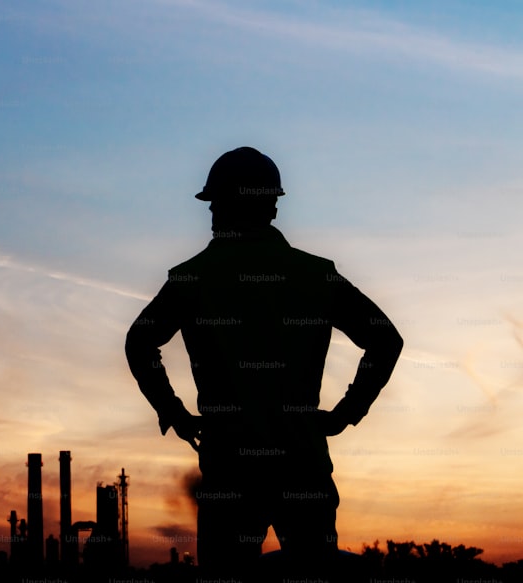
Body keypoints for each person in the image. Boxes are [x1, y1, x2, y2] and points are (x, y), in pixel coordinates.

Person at [125, 147, 403, 580]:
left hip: (230, 471)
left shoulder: (193, 277)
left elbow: (139, 343)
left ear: (225, 204)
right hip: (302, 466)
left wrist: (174, 412)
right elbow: (385, 340)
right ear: (271, 205)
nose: (212, 211)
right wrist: (347, 413)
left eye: (215, 202)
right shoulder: (316, 275)